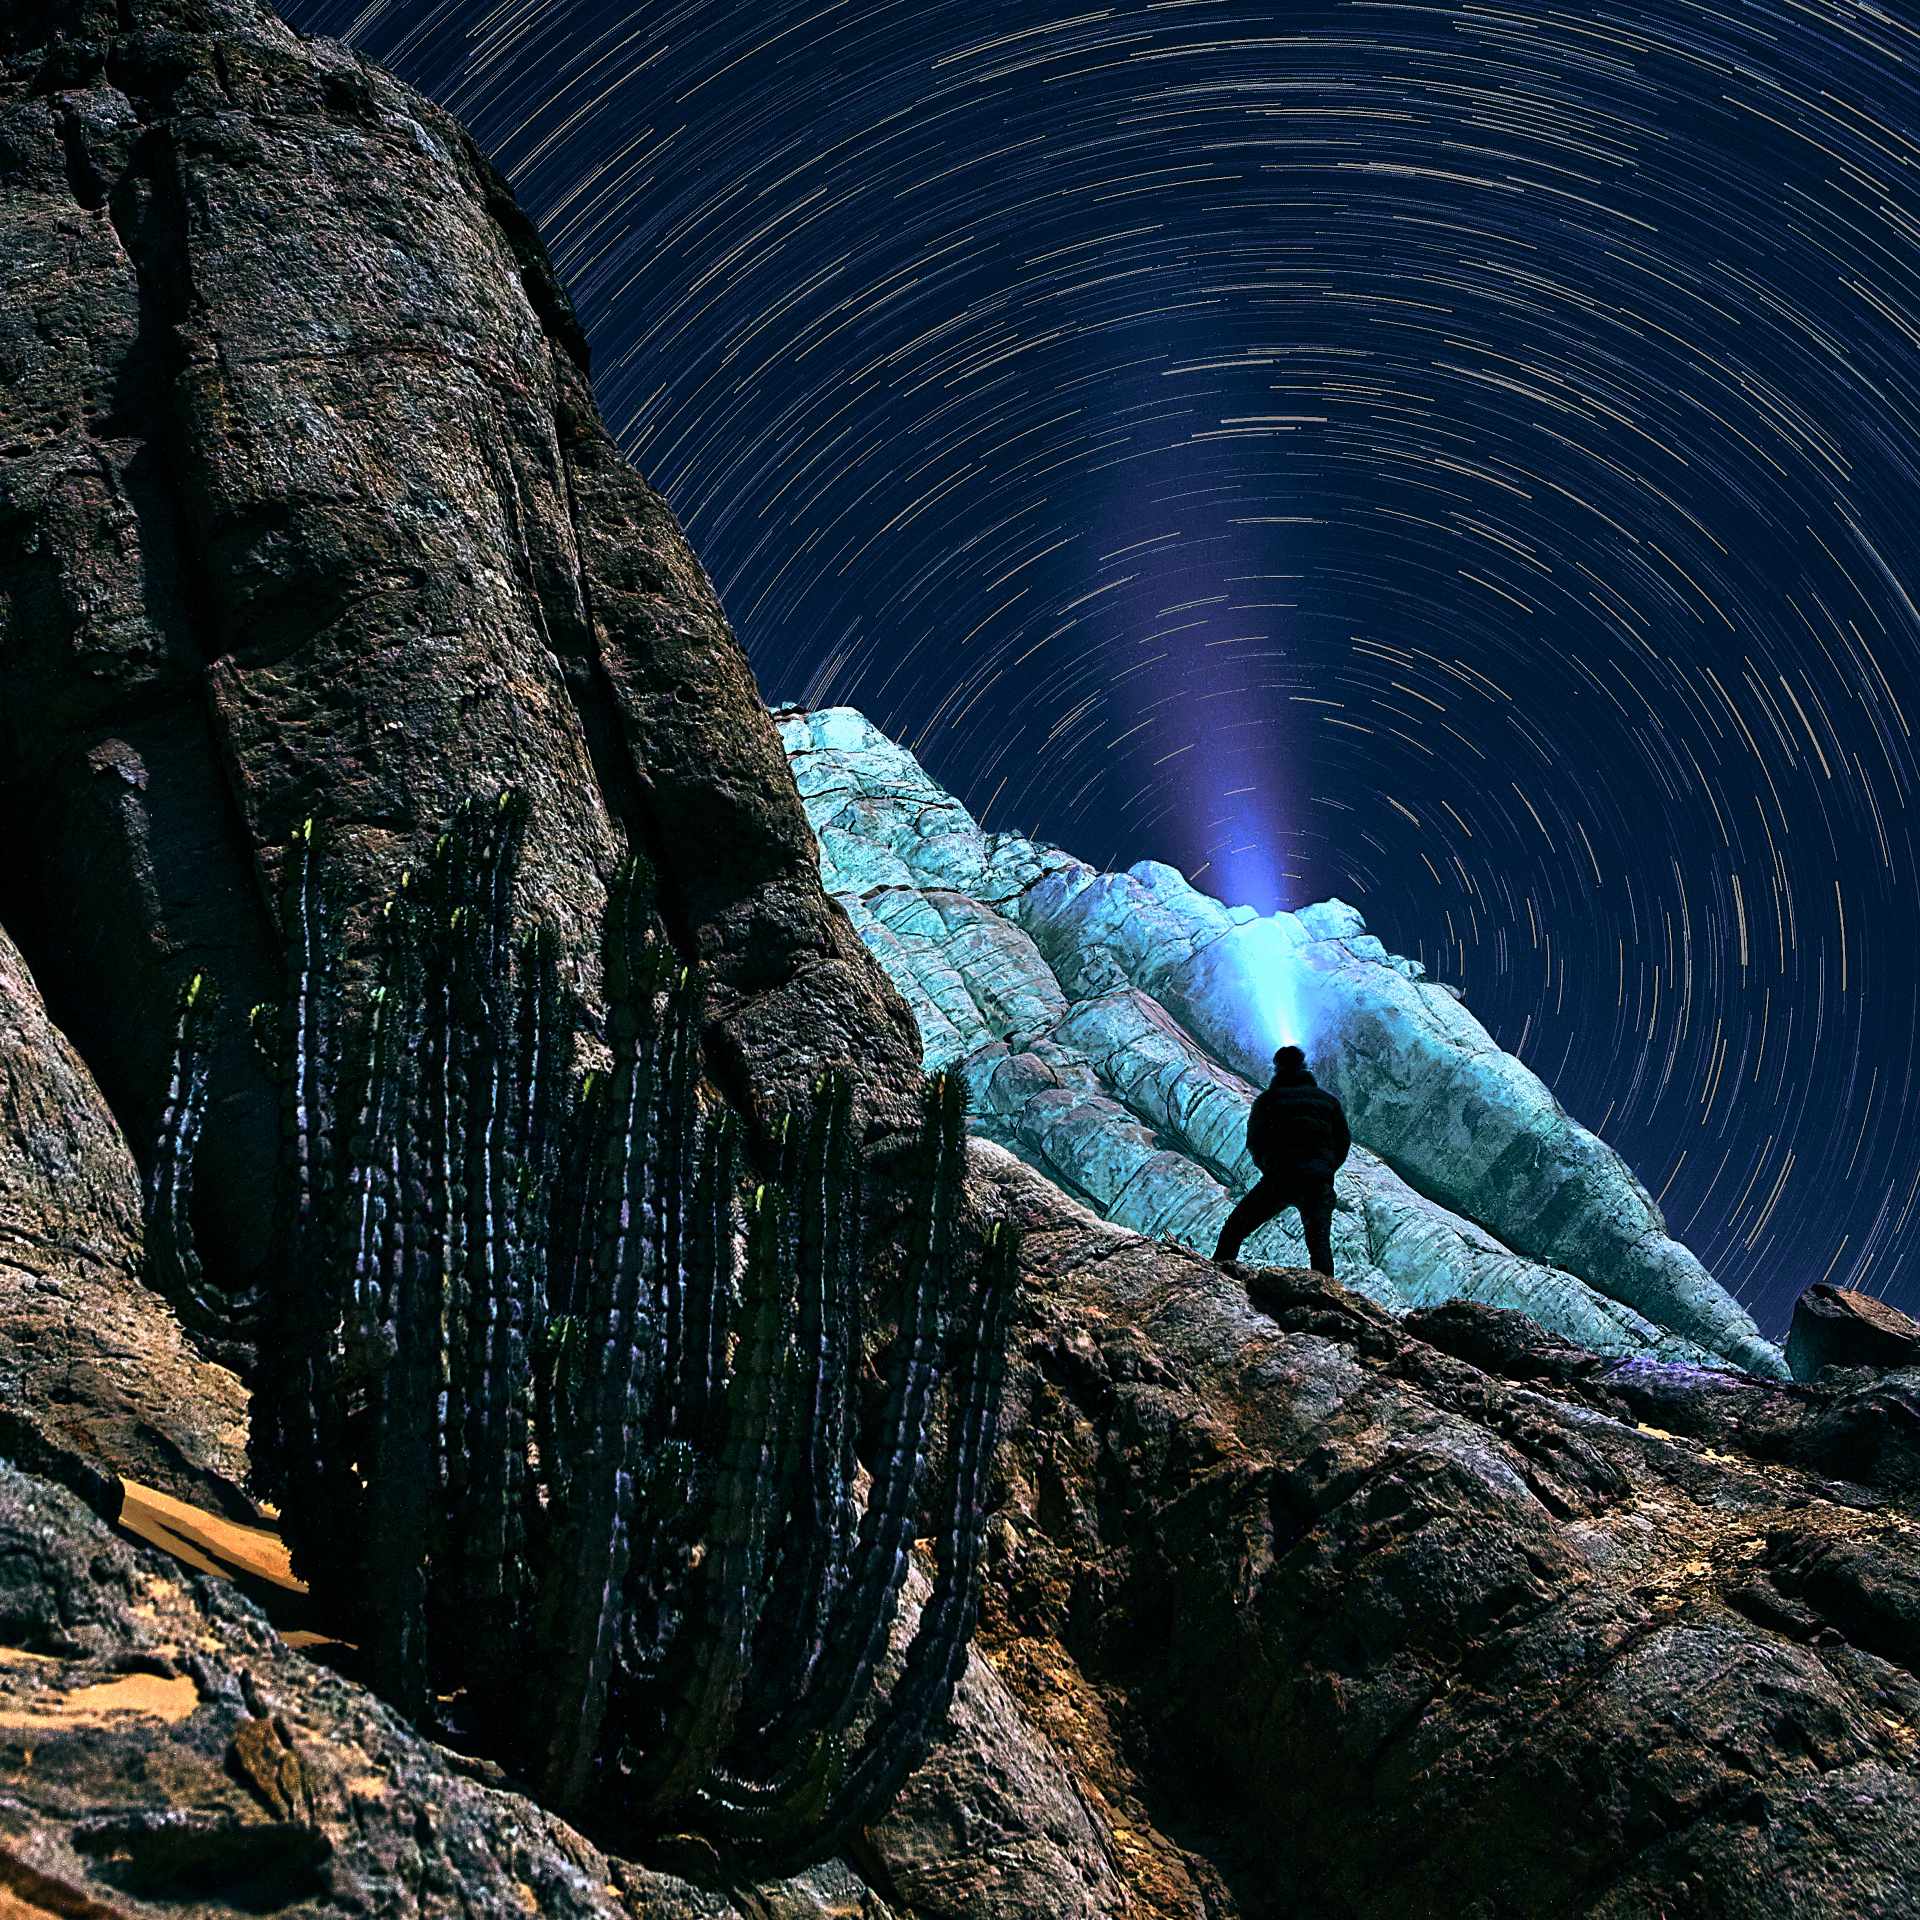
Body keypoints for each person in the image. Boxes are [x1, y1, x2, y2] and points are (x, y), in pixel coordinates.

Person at [1213, 1044, 1350, 1275]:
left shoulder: (1267, 1101)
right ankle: (1326, 1301)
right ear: (1305, 1067)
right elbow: (1343, 1142)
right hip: (1318, 1182)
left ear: (1276, 1069)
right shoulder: (1328, 1102)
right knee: (1319, 1247)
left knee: (1234, 1230)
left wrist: (1271, 1167)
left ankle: (1215, 1279)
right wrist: (1326, 1168)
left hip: (1280, 1179)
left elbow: (1255, 1140)